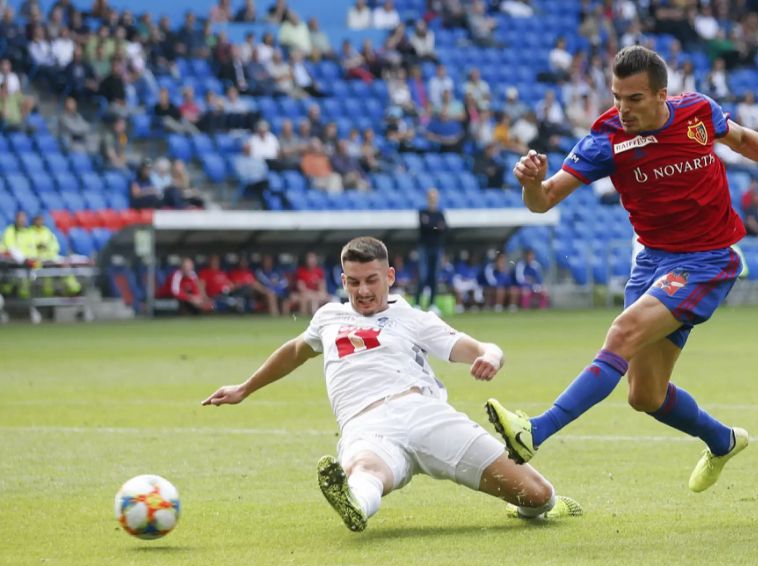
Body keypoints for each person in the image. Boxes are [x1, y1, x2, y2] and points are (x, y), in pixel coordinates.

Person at [485, 46, 758, 494]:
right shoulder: (606, 140)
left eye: (634, 99)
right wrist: (529, 185)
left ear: (662, 95)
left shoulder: (698, 112)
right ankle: (723, 441)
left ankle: (534, 431)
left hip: (708, 259)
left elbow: (742, 139)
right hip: (653, 262)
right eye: (617, 96)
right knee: (645, 395)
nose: (623, 109)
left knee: (622, 332)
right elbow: (544, 201)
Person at [202, 236, 583, 532]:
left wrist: (490, 357)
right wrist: (244, 389)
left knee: (537, 495)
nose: (363, 291)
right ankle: (354, 504)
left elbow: (482, 347)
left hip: (425, 415)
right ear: (342, 280)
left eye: (371, 280)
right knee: (364, 471)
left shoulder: (413, 318)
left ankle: (538, 506)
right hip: (366, 425)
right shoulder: (328, 317)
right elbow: (295, 351)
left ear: (389, 276)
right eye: (353, 282)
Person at [414, 188, 447, 310]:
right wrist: (436, 226)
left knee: (434, 277)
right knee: (422, 276)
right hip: (424, 247)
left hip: (437, 247)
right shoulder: (422, 212)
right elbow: (426, 226)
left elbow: (444, 228)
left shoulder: (440, 213)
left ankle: (432, 304)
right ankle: (417, 303)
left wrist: (431, 225)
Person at [293, 251, 330, 315]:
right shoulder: (301, 271)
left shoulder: (319, 271)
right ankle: (312, 317)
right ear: (306, 261)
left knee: (330, 298)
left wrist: (319, 294)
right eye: (309, 259)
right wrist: (315, 294)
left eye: (313, 259)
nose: (311, 261)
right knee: (312, 299)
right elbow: (302, 289)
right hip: (305, 294)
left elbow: (322, 288)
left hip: (316, 294)